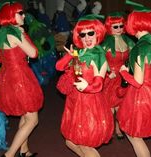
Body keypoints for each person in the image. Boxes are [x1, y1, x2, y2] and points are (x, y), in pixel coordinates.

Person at [56, 14, 114, 157]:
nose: (87, 38)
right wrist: (69, 56)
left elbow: (99, 84)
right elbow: (59, 67)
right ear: (78, 37)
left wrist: (86, 86)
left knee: (84, 144)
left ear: (98, 33)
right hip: (74, 101)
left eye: (91, 33)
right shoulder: (78, 53)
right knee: (70, 141)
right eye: (83, 34)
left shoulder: (99, 55)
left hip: (89, 103)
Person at [117, 1, 151, 157]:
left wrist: (124, 72)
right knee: (135, 133)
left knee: (133, 134)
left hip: (141, 95)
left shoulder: (140, 47)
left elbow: (138, 82)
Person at [0, 2, 44, 157]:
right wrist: (24, 34)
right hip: (19, 78)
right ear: (11, 16)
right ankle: (9, 155)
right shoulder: (16, 33)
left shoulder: (2, 33)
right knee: (32, 120)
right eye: (20, 13)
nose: (24, 16)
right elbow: (34, 53)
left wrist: (12, 56)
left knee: (25, 114)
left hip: (7, 76)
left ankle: (24, 151)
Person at [102, 12, 135, 139]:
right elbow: (100, 60)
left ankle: (118, 127)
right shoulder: (105, 43)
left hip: (123, 76)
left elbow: (133, 57)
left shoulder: (128, 41)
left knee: (121, 106)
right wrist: (107, 73)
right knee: (110, 107)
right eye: (115, 26)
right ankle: (109, 130)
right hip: (110, 77)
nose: (119, 29)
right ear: (109, 27)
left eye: (121, 26)